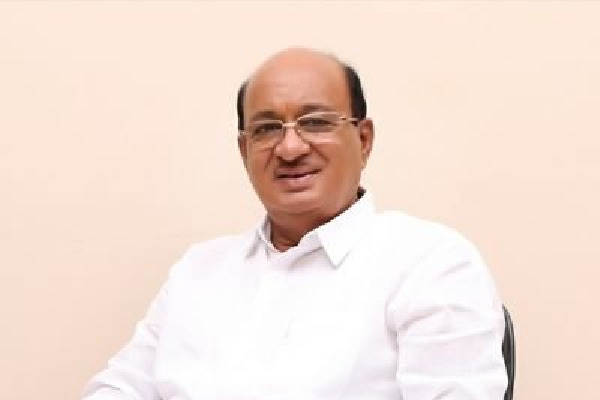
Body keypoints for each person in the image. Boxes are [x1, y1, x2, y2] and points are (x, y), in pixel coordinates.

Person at [81, 48, 508, 399]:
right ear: (244, 150)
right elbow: (118, 389)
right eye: (267, 129)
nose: (289, 148)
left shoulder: (431, 264)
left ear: (363, 140)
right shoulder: (198, 271)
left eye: (315, 123)